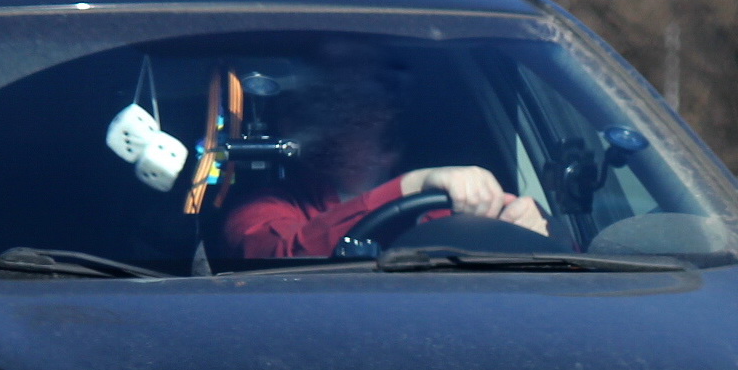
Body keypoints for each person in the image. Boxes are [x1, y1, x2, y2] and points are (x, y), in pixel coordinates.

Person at [221, 86, 548, 259]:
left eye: (371, 117)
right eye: (346, 118)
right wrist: (410, 187)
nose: (369, 124)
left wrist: (533, 228)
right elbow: (283, 257)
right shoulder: (261, 208)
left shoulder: (449, 208)